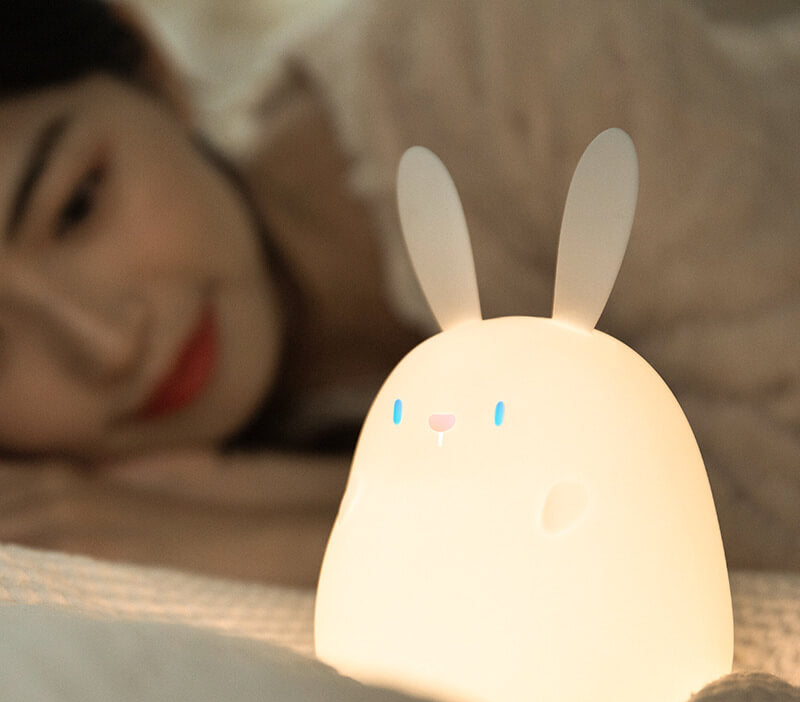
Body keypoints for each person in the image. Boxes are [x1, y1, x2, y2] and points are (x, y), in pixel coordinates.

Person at [0, 0, 797, 582]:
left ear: (151, 69)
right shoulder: (120, 490)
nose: (106, 344)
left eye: (76, 206)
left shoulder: (501, 51)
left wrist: (298, 530)